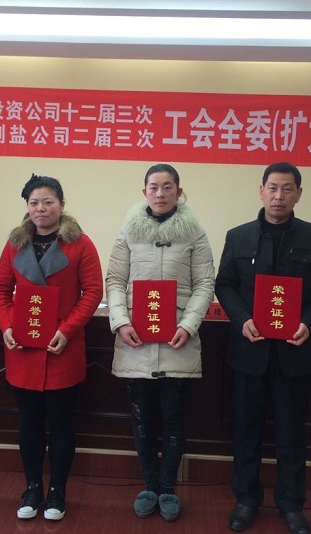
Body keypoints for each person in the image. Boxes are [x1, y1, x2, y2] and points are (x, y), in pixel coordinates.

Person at [215, 162, 311, 534]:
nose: (279, 196)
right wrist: (242, 319)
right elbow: (225, 285)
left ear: (298, 194)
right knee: (246, 431)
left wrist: (309, 322)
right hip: (249, 351)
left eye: (287, 189)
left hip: (294, 351)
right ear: (261, 191)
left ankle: (291, 505)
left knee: (291, 434)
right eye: (272, 188)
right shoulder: (238, 236)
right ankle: (246, 500)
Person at [105, 164, 215, 522]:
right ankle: (149, 485)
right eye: (153, 186)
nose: (160, 193)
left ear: (179, 192)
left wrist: (189, 324)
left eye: (168, 187)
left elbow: (205, 283)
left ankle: (168, 487)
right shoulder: (129, 230)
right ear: (144, 192)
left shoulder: (194, 231)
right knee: (142, 417)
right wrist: (121, 321)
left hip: (177, 340)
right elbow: (115, 280)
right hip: (135, 340)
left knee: (174, 417)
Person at [0, 174, 103, 522]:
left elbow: (93, 292)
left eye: (48, 202)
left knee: (61, 422)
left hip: (61, 348)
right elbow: (0, 290)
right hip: (23, 348)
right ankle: (32, 486)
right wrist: (6, 326)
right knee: (29, 423)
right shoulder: (15, 245)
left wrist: (67, 330)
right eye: (34, 203)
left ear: (62, 205)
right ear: (27, 207)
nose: (40, 208)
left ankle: (57, 489)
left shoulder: (80, 244)